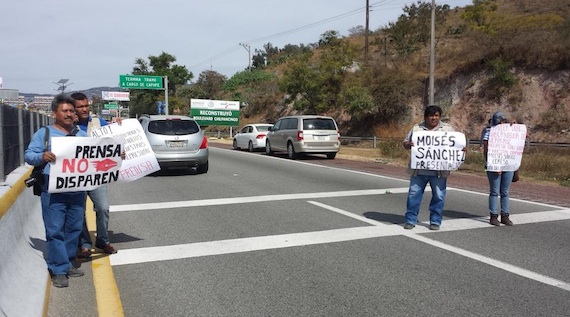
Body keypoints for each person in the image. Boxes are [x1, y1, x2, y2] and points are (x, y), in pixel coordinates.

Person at [25, 94, 88, 288]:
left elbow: (95, 156)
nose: (69, 114)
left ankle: (67, 263)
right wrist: (43, 156)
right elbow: (29, 156)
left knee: (74, 229)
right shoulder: (43, 134)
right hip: (53, 191)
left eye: (71, 111)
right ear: (55, 113)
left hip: (77, 191)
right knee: (55, 231)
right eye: (65, 111)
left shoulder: (81, 135)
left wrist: (115, 153)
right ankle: (58, 269)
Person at [71, 92, 118, 257]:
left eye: (86, 106)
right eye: (80, 107)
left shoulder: (99, 122)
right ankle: (84, 244)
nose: (84, 109)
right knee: (79, 211)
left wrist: (119, 125)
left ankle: (103, 240)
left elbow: (113, 139)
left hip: (97, 175)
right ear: (73, 109)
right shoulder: (67, 125)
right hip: (76, 176)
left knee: (103, 207)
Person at [402, 105, 457, 231]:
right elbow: (405, 142)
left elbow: (456, 145)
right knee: (413, 195)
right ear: (426, 117)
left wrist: (461, 148)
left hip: (439, 171)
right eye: (431, 116)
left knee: (439, 196)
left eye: (436, 115)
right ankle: (410, 220)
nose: (434, 118)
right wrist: (409, 144)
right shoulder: (416, 129)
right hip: (418, 170)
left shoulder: (447, 129)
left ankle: (435, 221)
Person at [483, 111, 514, 226]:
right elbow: (486, 151)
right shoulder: (489, 132)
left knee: (505, 192)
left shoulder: (510, 132)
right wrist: (493, 165)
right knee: (495, 191)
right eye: (501, 120)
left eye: (504, 120)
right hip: (494, 165)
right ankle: (493, 215)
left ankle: (505, 215)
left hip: (508, 164)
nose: (503, 122)